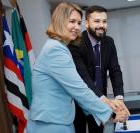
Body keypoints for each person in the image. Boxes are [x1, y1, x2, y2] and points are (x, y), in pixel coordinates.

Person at [27, 2, 129, 133]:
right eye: (72, 21)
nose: (76, 27)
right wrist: (111, 114)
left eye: (78, 22)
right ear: (60, 21)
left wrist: (110, 105)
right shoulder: (55, 50)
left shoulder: (60, 47)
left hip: (61, 120)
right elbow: (79, 89)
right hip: (50, 123)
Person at [68, 5, 129, 133]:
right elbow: (83, 77)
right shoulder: (75, 43)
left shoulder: (109, 42)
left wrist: (119, 98)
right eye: (97, 21)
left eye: (104, 21)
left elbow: (115, 71)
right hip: (79, 101)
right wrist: (106, 102)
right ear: (87, 23)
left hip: (101, 99)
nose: (101, 25)